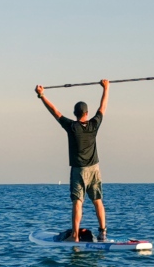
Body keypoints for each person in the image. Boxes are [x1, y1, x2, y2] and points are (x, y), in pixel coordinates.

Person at [34, 79, 109, 242]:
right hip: (95, 169)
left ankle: (75, 236)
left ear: (75, 114)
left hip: (79, 170)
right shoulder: (94, 124)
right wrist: (106, 88)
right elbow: (102, 107)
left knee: (77, 202)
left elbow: (54, 111)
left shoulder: (71, 126)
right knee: (98, 201)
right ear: (87, 113)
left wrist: (42, 96)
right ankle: (103, 233)